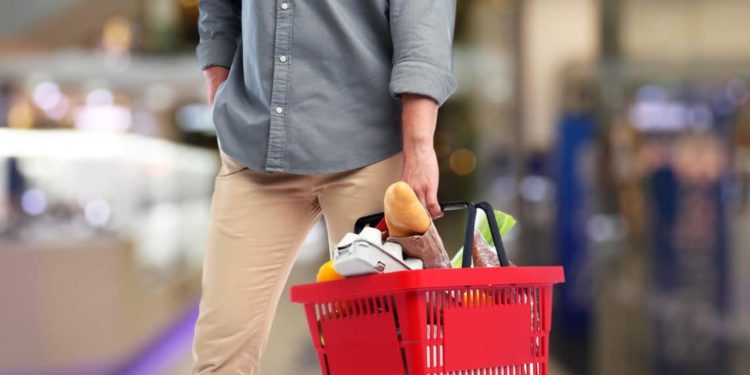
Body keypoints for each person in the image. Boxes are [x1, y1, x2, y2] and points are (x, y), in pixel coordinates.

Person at [192, 1, 457, 373]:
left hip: (368, 151)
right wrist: (217, 80)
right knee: (220, 352)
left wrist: (419, 146)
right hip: (255, 149)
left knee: (376, 356)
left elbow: (422, 19)